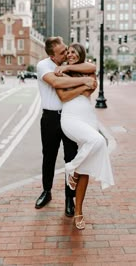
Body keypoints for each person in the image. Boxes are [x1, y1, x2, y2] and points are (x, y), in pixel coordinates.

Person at [36, 37, 97, 217]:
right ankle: (46, 191)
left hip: (70, 117)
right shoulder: (43, 66)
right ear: (52, 56)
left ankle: (69, 199)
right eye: (62, 52)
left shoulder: (68, 67)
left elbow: (91, 68)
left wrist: (72, 71)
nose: (66, 53)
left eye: (66, 50)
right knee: (49, 156)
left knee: (71, 159)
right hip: (50, 117)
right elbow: (57, 83)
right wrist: (84, 81)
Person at [55, 43, 114, 230]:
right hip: (70, 117)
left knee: (87, 164)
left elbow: (91, 84)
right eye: (69, 52)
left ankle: (79, 211)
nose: (71, 54)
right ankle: (71, 168)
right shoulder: (59, 73)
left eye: (74, 52)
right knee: (97, 141)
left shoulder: (82, 70)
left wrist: (69, 71)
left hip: (88, 117)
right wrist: (82, 83)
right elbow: (63, 97)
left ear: (80, 56)